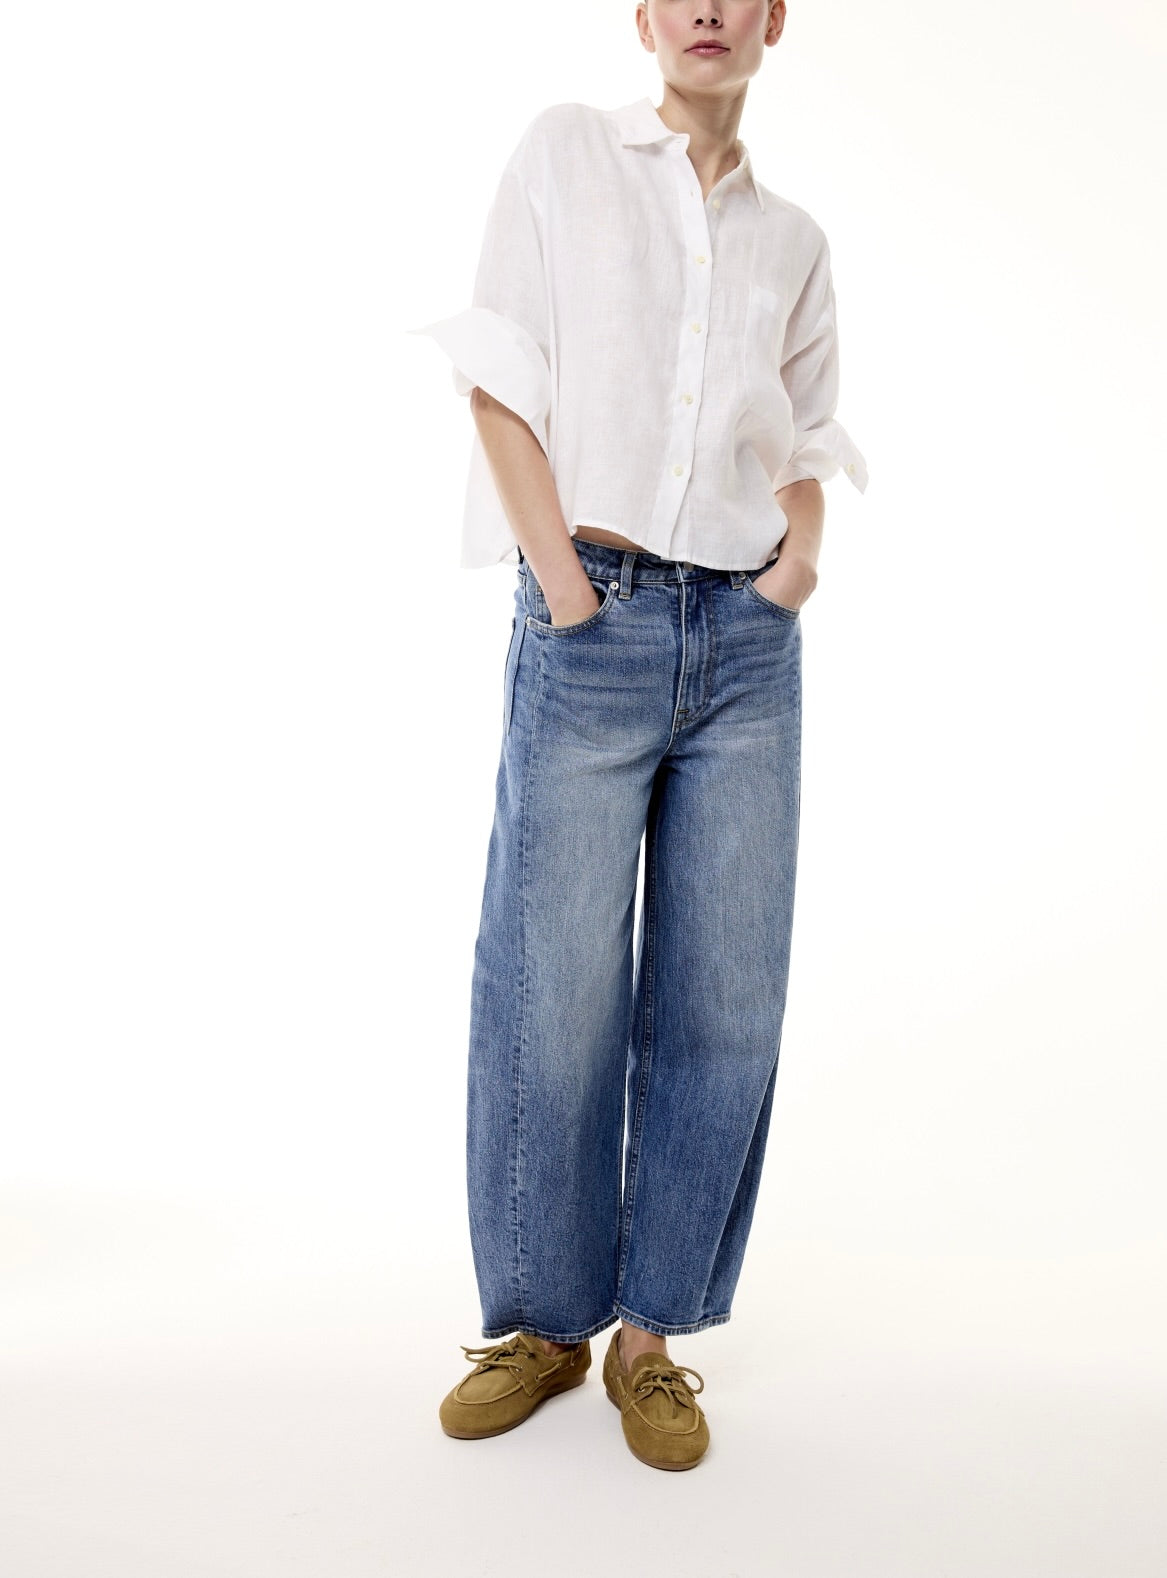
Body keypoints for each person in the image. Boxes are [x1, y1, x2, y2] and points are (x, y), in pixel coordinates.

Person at [409, 0, 867, 1471]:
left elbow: (805, 435)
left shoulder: (794, 242)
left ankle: (653, 1338)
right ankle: (547, 1322)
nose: (709, 10)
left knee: (724, 993)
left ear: (776, 17)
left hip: (747, 649)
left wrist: (795, 567)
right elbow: (499, 378)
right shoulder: (565, 157)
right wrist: (563, 587)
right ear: (645, 15)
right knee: (550, 983)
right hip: (590, 620)